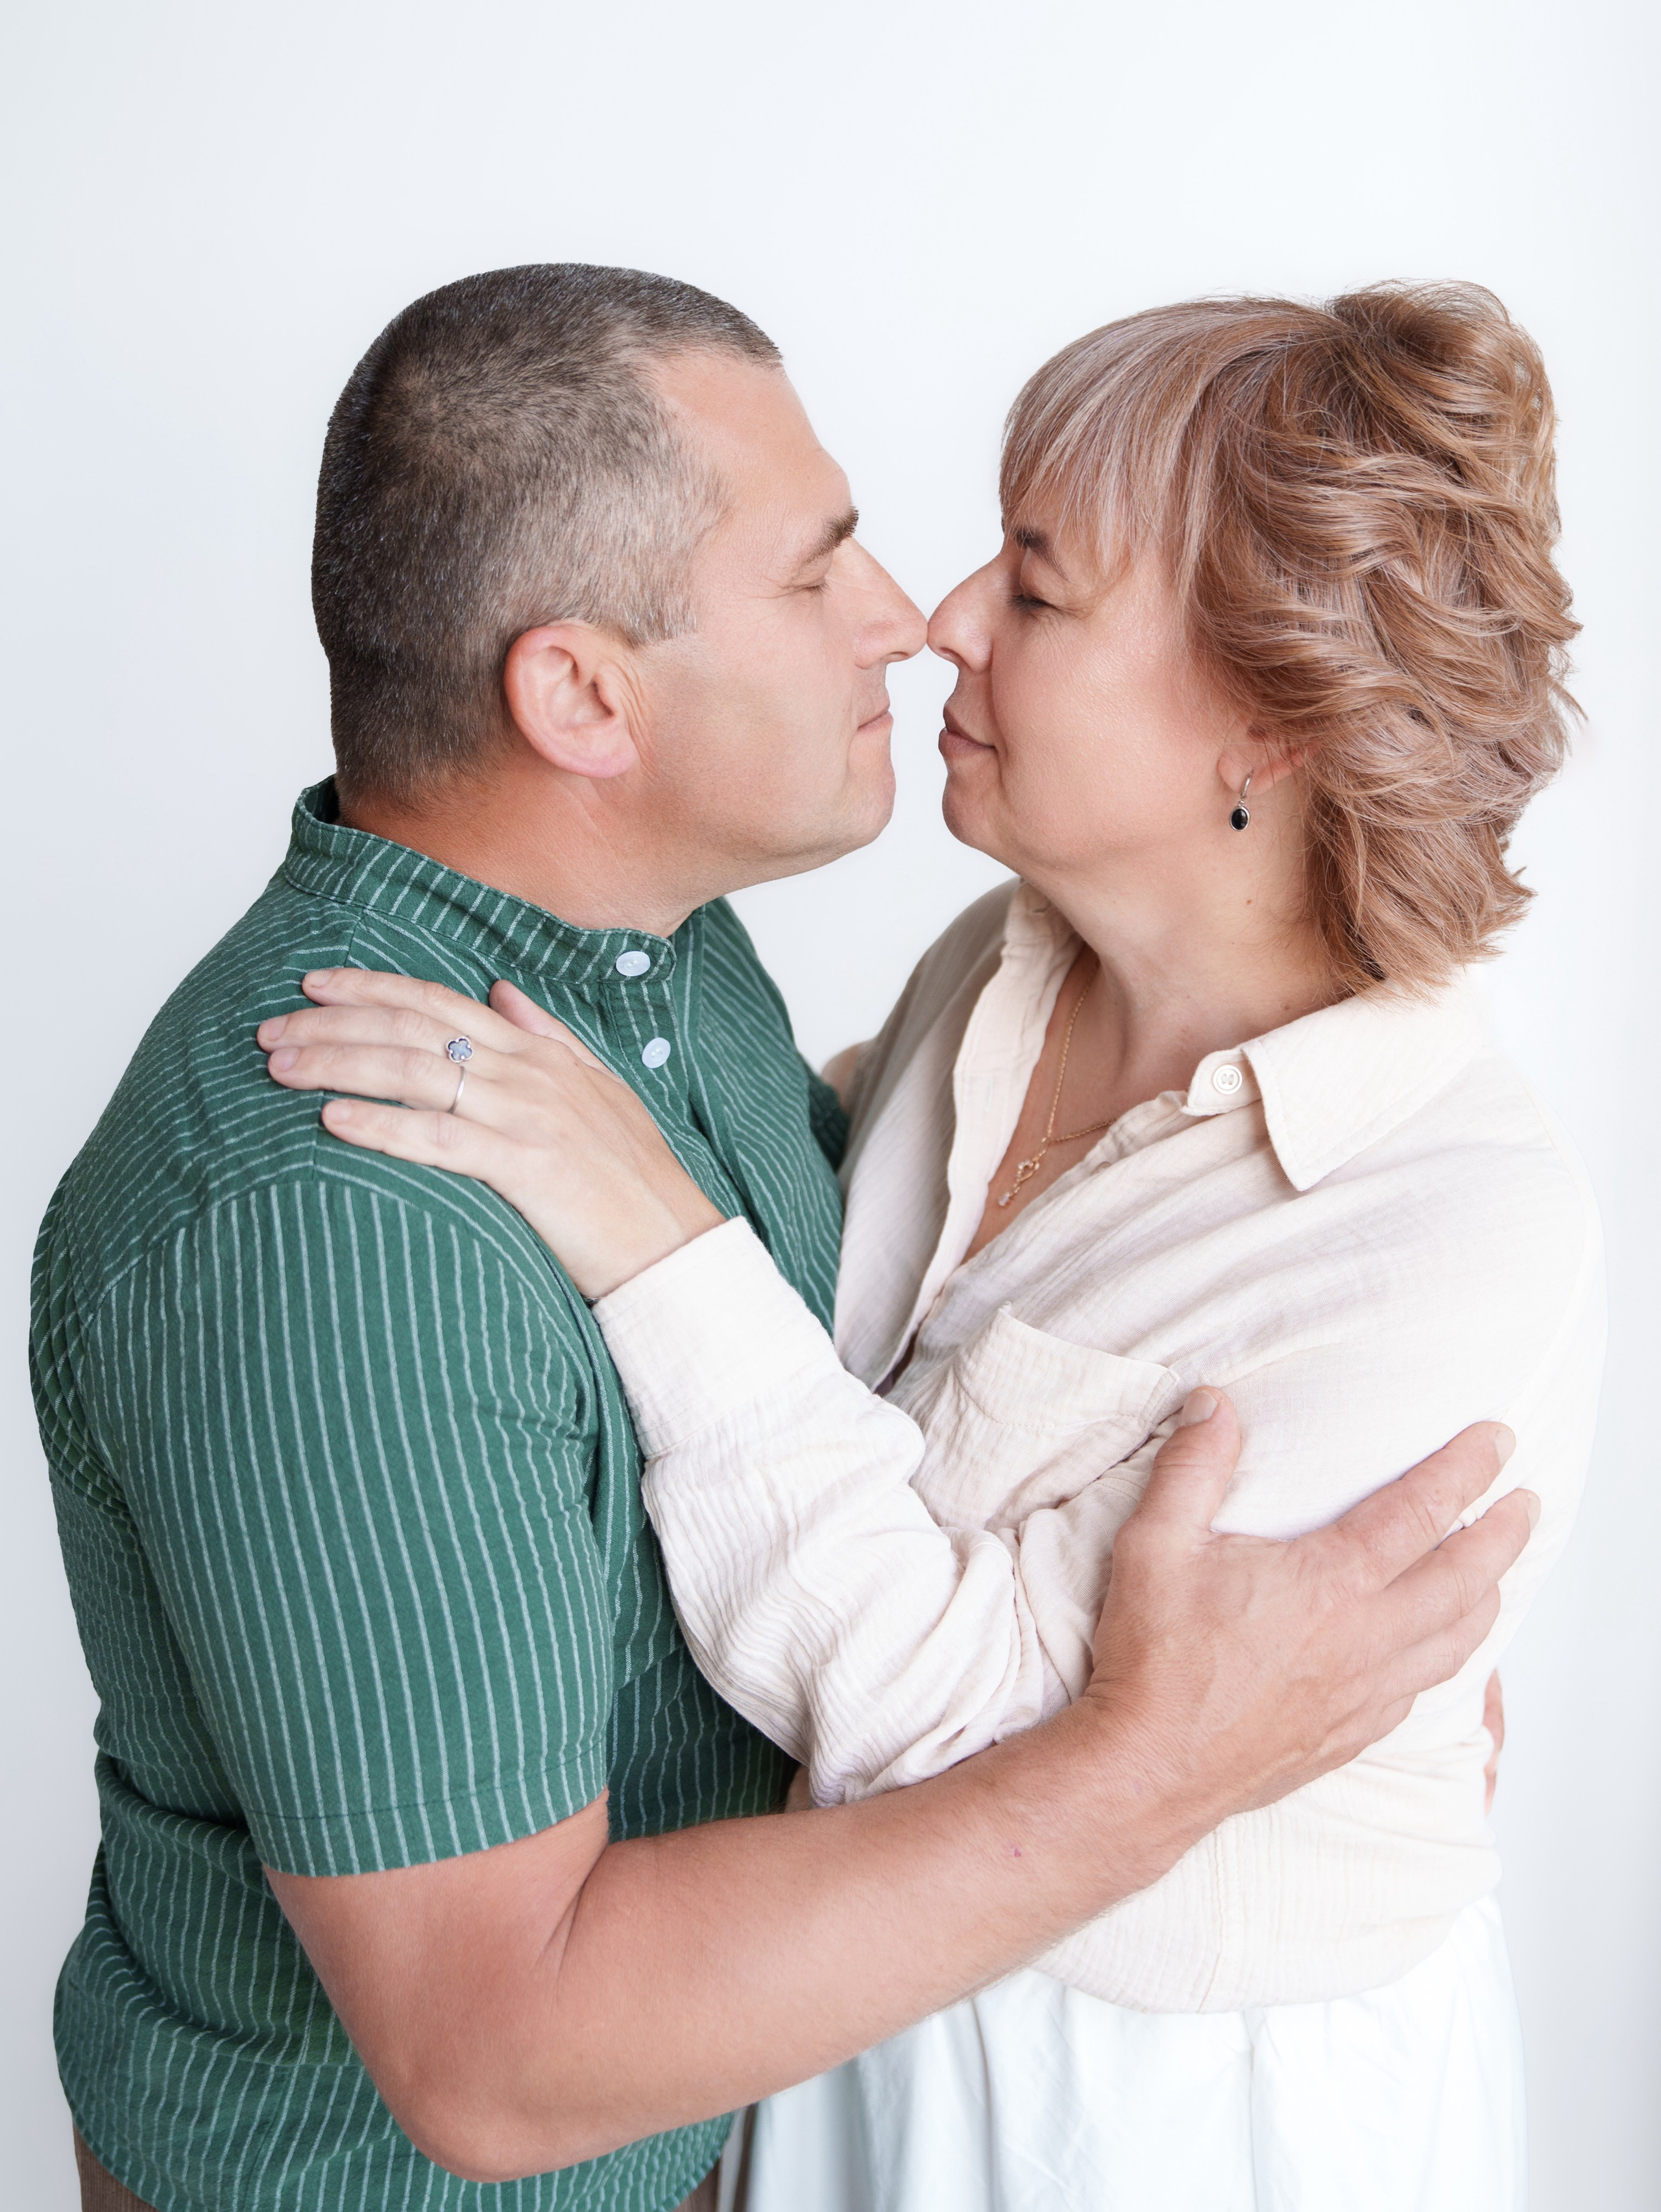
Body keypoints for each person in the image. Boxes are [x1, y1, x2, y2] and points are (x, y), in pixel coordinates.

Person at [34, 265, 1530, 2212]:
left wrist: (1337, 1739)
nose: (911, 618)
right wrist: (1185, 1757)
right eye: (819, 570)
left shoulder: (682, 973)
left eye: (1027, 579)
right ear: (583, 693)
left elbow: (880, 1331)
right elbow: (498, 2063)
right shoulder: (341, 1216)